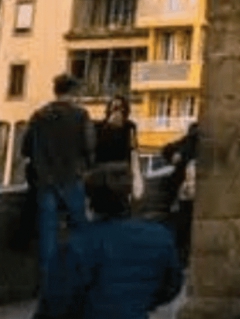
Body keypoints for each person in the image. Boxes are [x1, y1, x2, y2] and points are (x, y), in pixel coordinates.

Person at [35, 162, 183, 319]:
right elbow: (171, 286)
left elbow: (57, 300)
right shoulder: (159, 236)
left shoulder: (79, 244)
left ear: (90, 201)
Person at [23, 74, 96, 284]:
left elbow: (26, 148)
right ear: (73, 91)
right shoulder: (81, 115)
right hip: (72, 178)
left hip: (45, 181)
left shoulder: (39, 116)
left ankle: (48, 283)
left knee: (48, 234)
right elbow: (90, 146)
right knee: (79, 230)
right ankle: (79, 278)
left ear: (55, 90)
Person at [161, 122, 199, 266]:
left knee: (184, 229)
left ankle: (182, 257)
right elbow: (168, 149)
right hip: (187, 194)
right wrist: (174, 155)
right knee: (183, 228)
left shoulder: (190, 143)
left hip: (189, 194)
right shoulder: (189, 143)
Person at [95, 95, 141, 199]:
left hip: (121, 175)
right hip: (102, 175)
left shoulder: (129, 127)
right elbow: (97, 149)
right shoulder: (99, 127)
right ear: (109, 109)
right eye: (115, 107)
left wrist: (136, 176)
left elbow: (133, 151)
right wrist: (109, 127)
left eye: (121, 108)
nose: (118, 111)